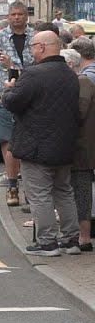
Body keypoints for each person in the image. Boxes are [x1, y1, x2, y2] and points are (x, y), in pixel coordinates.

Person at [2, 31, 81, 257]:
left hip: (36, 146)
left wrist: (9, 89)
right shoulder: (70, 74)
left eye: (34, 46)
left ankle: (47, 242)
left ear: (43, 47)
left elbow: (14, 103)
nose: (31, 50)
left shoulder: (33, 74)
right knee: (64, 192)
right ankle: (70, 240)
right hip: (64, 145)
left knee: (40, 196)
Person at [0, 2, 34, 207]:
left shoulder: (35, 38)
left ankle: (29, 188)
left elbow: (37, 69)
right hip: (5, 98)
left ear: (26, 16)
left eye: (20, 14)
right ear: (8, 16)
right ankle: (12, 187)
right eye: (13, 14)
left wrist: (13, 66)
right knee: (8, 142)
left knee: (29, 144)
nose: (17, 17)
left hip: (31, 99)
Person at [62, 48, 95, 252]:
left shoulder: (82, 82)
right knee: (73, 191)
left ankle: (84, 237)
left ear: (70, 65)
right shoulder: (77, 82)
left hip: (82, 147)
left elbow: (80, 111)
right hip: (78, 145)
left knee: (81, 192)